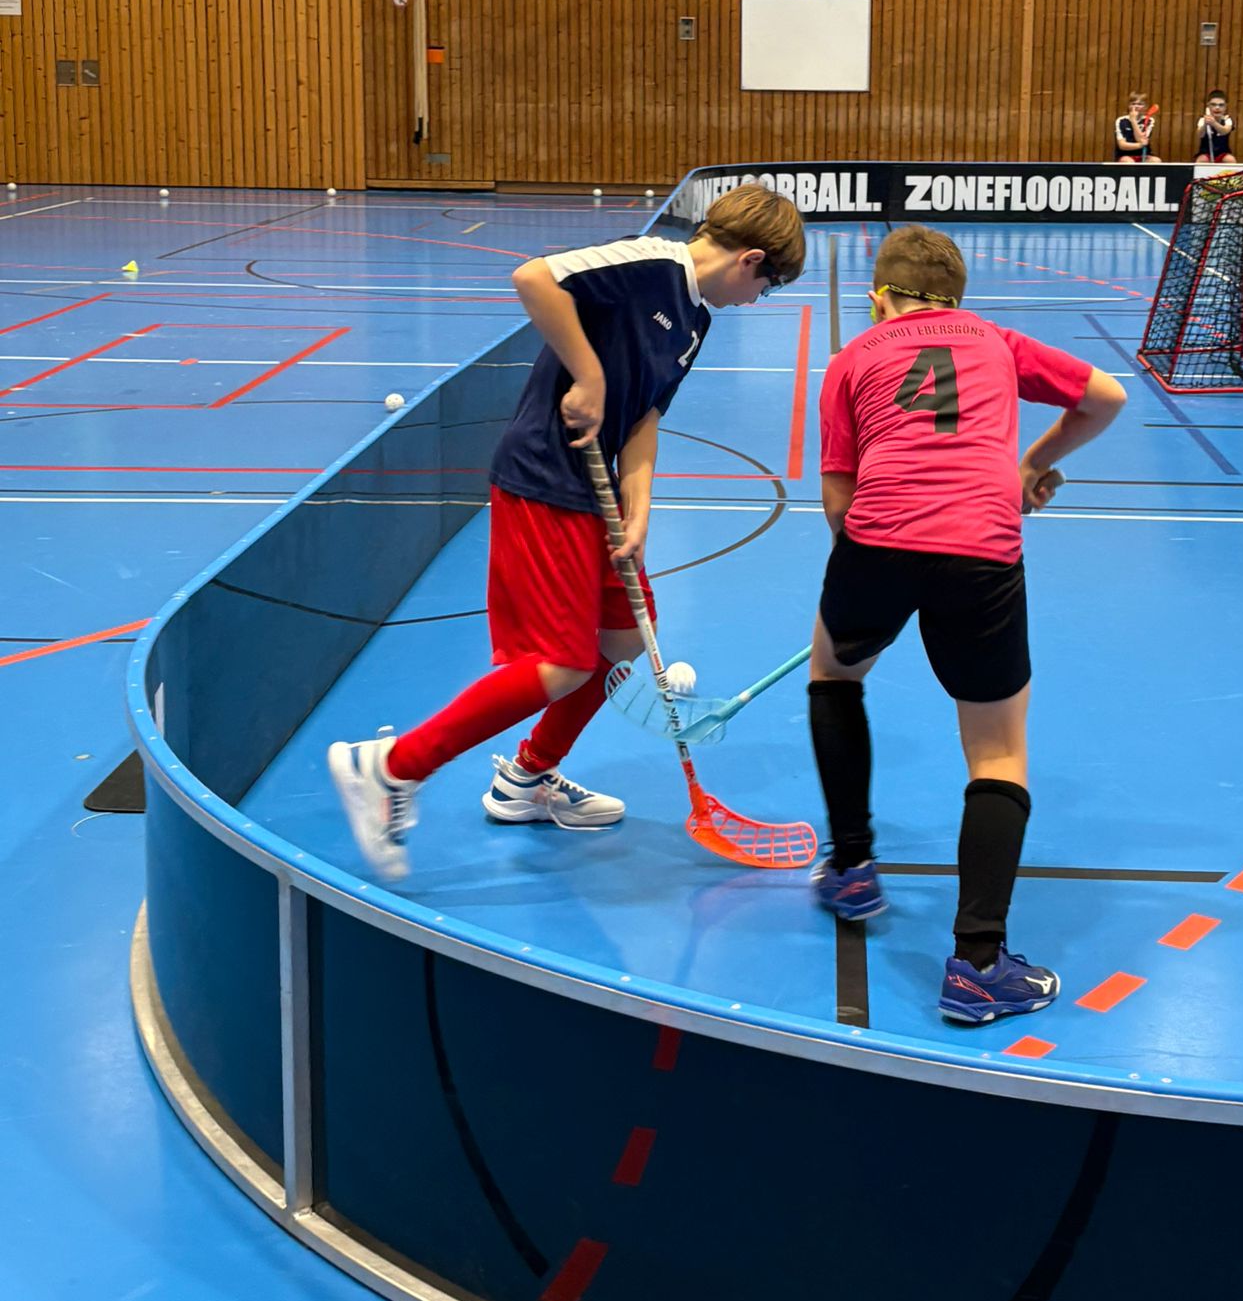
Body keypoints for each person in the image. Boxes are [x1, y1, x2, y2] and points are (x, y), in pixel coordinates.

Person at [329, 183, 806, 881]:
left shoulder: (696, 320)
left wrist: (639, 512)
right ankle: (391, 768)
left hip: (597, 490)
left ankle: (526, 778)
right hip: (544, 476)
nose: (756, 302)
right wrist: (588, 376)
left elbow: (645, 419)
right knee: (561, 664)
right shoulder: (650, 263)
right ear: (751, 260)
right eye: (766, 288)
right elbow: (534, 278)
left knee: (622, 640)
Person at [805, 225, 1127, 1024]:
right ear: (958, 299)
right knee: (997, 750)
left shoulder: (852, 358)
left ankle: (851, 869)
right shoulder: (997, 341)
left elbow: (839, 502)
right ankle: (979, 964)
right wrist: (1028, 468)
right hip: (981, 550)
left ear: (880, 298)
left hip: (877, 543)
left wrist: (871, 576)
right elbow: (1105, 396)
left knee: (834, 674)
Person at [1114, 92, 1160, 164]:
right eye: (1133, 104)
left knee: (1156, 160)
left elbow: (1140, 139)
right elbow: (1122, 145)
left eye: (1140, 104)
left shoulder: (1149, 120)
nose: (1136, 106)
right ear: (1129, 106)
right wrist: (1140, 145)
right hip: (1125, 155)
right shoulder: (1121, 121)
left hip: (1144, 155)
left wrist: (1133, 121)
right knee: (1127, 161)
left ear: (1145, 107)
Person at [1195, 90, 1236, 163]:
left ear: (1225, 107)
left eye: (1221, 105)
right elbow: (1200, 134)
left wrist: (1214, 123)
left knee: (1230, 160)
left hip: (1223, 153)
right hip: (1205, 153)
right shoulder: (1202, 120)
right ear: (1208, 106)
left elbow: (1225, 131)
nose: (1217, 107)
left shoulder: (1227, 119)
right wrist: (1205, 124)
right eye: (1213, 105)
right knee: (1202, 160)